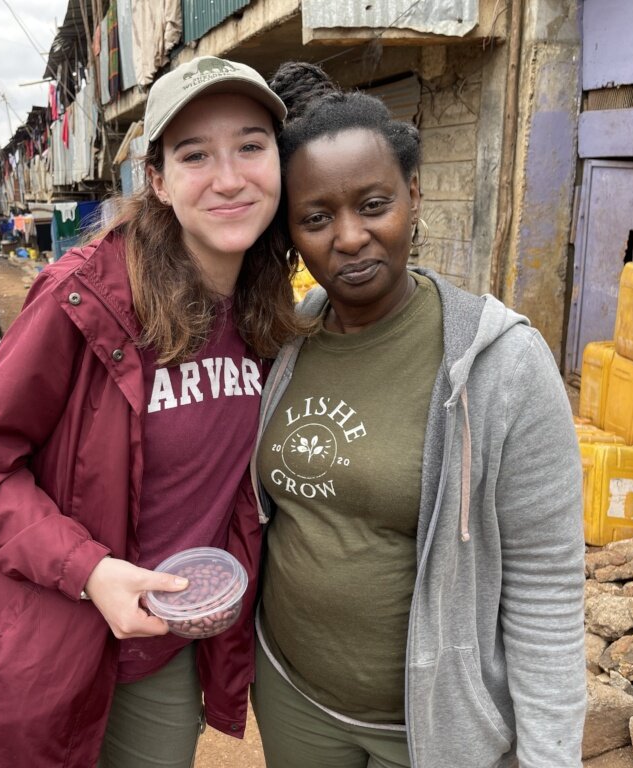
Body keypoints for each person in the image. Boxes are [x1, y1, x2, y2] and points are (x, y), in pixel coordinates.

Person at [0, 56, 303, 768]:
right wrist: (90, 571)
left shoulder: (271, 308)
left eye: (250, 145)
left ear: (279, 158)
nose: (231, 176)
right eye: (195, 155)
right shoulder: (85, 301)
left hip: (164, 650)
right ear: (157, 180)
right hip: (46, 638)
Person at [250, 62, 586, 768]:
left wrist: (551, 755)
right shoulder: (287, 345)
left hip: (430, 731)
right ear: (291, 230)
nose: (347, 237)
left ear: (414, 196)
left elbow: (547, 589)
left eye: (373, 205)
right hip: (291, 698)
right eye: (316, 217)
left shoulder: (502, 365)